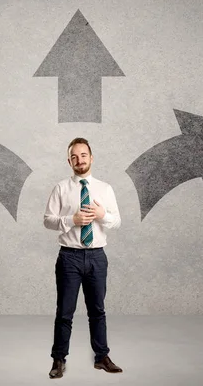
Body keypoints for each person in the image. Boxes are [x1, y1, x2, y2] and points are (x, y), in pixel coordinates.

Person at [43, 137, 123, 379]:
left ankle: (102, 357)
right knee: (64, 312)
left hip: (97, 257)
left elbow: (117, 221)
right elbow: (47, 220)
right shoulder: (61, 188)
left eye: (83, 155)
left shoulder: (105, 189)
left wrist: (102, 215)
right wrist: (71, 221)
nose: (80, 160)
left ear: (91, 157)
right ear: (69, 161)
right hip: (69, 258)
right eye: (74, 157)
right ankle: (58, 360)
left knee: (97, 310)